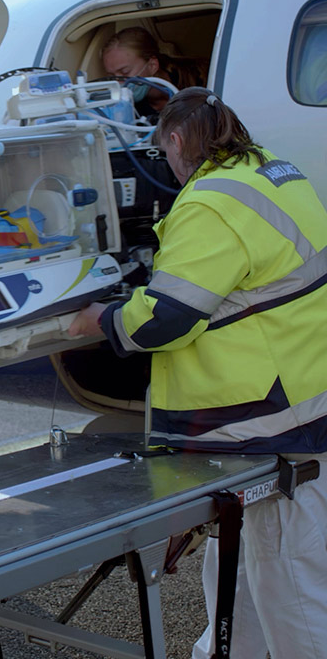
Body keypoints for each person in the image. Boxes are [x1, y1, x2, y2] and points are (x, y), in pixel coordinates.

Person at [69, 87, 327, 657]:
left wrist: (103, 320)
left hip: (266, 423)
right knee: (241, 573)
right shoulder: (274, 173)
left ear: (178, 139)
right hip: (303, 401)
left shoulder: (211, 201)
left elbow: (169, 317)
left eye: (164, 154)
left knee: (294, 596)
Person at [101, 27, 207, 121]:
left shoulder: (200, 80)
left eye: (125, 72)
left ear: (152, 65)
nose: (118, 83)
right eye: (111, 76)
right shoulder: (128, 108)